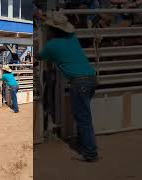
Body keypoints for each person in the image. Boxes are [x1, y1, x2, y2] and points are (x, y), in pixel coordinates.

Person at [38, 13, 98, 162]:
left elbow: (40, 56)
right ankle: (83, 144)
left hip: (79, 82)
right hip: (91, 79)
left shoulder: (52, 45)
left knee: (83, 117)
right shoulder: (72, 39)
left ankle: (90, 153)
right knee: (82, 115)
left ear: (52, 30)